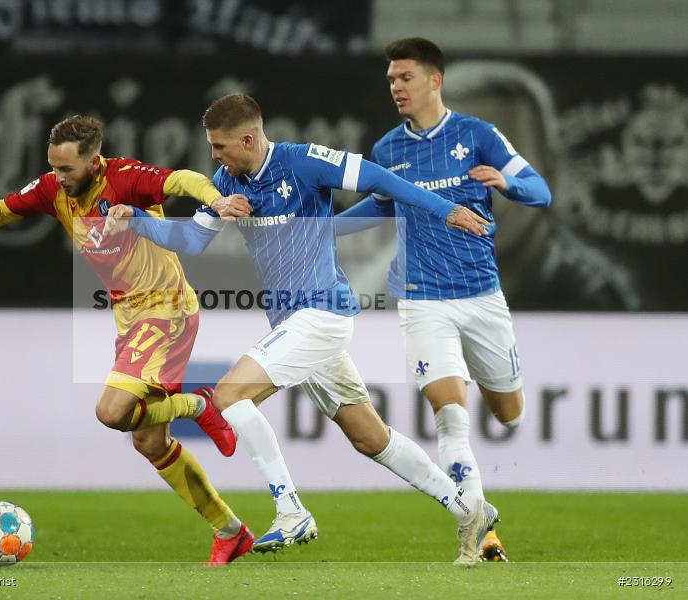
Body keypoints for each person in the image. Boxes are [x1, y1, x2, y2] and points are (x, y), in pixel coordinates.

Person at [104, 93, 498, 566]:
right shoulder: (227, 182)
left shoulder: (305, 162)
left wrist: (444, 210)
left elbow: (380, 179)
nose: (214, 156)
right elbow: (190, 239)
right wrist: (140, 221)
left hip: (323, 314)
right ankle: (469, 510)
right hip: (294, 324)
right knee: (370, 437)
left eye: (221, 146)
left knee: (229, 397)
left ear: (248, 138)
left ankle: (290, 510)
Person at [0, 114, 256, 566]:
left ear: (94, 163)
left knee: (111, 411)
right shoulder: (52, 190)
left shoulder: (126, 180)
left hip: (167, 309)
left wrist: (217, 198)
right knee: (149, 443)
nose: (58, 177)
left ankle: (199, 405)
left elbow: (184, 179)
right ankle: (230, 531)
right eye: (53, 167)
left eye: (67, 169)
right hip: (130, 319)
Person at [336, 38, 553, 562]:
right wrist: (320, 233)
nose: (396, 87)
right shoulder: (389, 149)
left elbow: (540, 191)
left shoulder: (477, 135)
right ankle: (477, 531)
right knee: (450, 415)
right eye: (391, 80)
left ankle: (490, 407)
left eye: (405, 77)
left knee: (508, 414)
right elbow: (381, 205)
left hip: (481, 297)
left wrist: (508, 183)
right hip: (422, 298)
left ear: (435, 80)